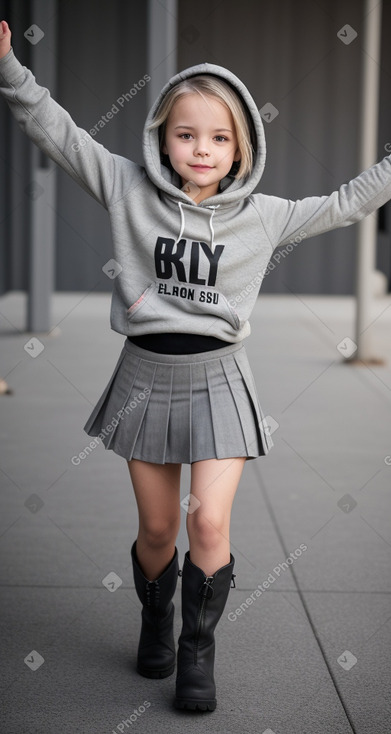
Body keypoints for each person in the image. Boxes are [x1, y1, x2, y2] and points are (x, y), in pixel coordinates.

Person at [1, 18, 391, 713]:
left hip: (219, 380)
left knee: (207, 525)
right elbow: (56, 133)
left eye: (218, 137)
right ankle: (156, 618)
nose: (201, 149)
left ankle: (196, 651)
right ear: (161, 136)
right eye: (186, 134)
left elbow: (345, 204)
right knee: (157, 531)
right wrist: (9, 68)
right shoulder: (125, 188)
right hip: (143, 380)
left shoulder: (264, 215)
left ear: (241, 145)